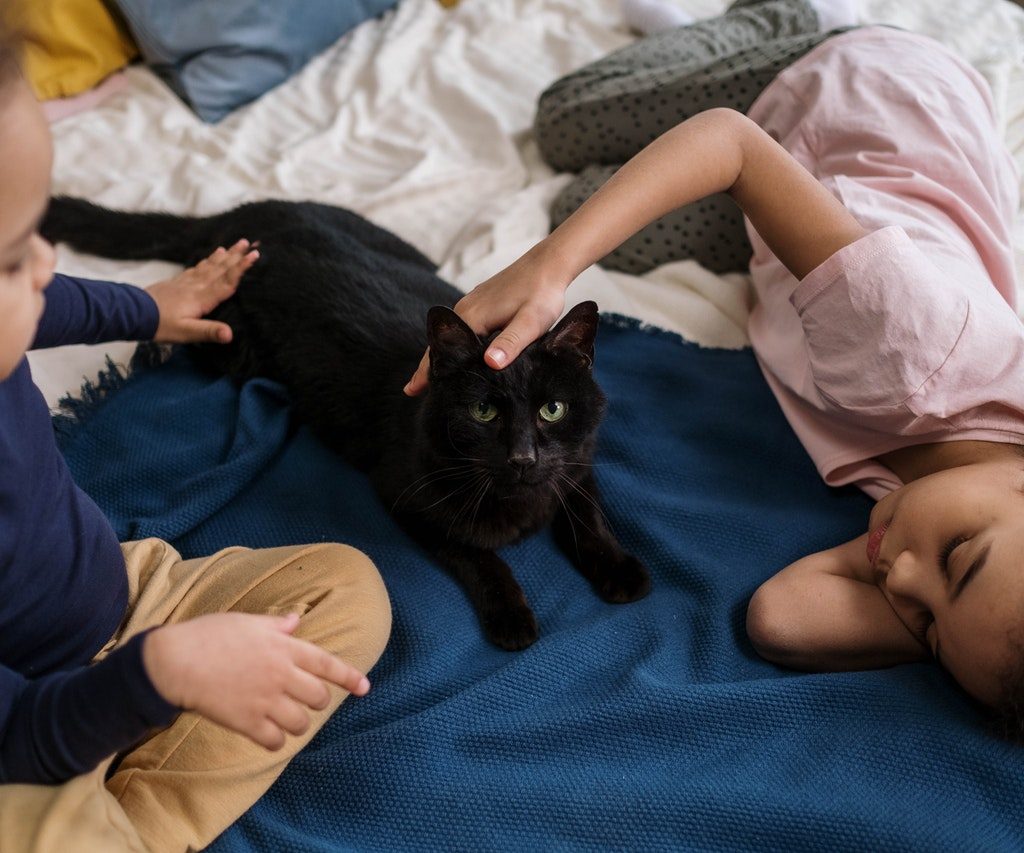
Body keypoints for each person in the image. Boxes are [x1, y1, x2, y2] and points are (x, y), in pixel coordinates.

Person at [405, 0, 1024, 734]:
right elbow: (729, 140)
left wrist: (962, 628)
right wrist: (551, 266)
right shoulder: (912, 342)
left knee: (581, 202)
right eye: (956, 558)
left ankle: (789, 214)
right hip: (849, 91)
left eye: (920, 620)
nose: (897, 574)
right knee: (566, 122)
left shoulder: (958, 504)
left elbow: (784, 618)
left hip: (816, 221)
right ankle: (788, 14)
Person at [0, 21, 392, 853]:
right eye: (6, 258)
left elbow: (50, 302)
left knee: (346, 591)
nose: (42, 263)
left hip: (122, 594)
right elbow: (15, 733)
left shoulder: (11, 313)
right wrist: (159, 677)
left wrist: (149, 308)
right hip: (20, 733)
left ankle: (138, 817)